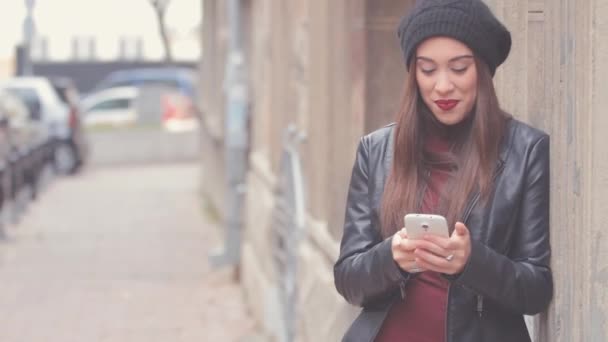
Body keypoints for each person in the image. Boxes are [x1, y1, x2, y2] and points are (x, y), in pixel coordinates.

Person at [333, 1, 553, 341]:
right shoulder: (376, 151)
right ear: (413, 73)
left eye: (459, 68)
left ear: (482, 70)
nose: (443, 86)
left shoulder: (525, 151)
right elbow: (349, 280)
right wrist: (390, 257)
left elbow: (536, 288)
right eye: (428, 69)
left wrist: (472, 262)